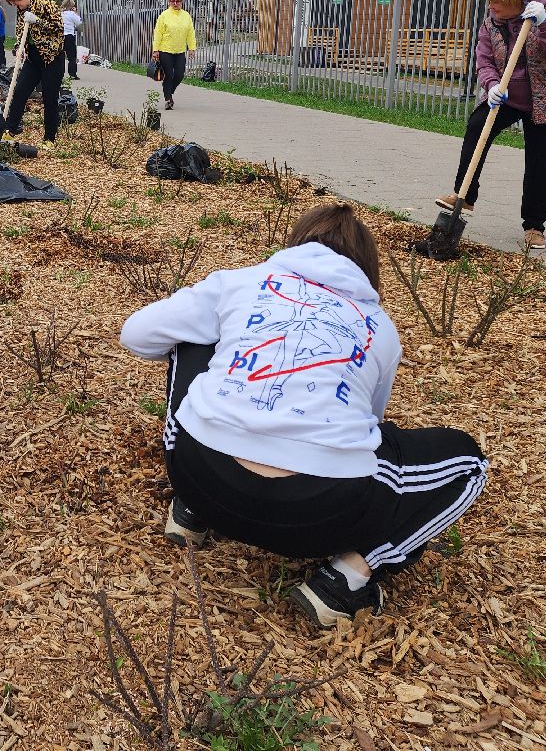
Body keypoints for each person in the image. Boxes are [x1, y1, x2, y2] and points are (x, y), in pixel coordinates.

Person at [120, 203, 488, 630]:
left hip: (199, 475)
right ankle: (346, 579)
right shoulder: (379, 326)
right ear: (366, 268)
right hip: (319, 516)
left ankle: (193, 513)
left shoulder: (239, 282)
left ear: (295, 244)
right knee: (470, 462)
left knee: (189, 338)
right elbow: (371, 420)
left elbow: (138, 334)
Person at [432, 0, 546, 251]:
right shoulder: (492, 22)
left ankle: (534, 226)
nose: (491, 7)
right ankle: (465, 195)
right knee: (477, 128)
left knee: (539, 163)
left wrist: (545, 23)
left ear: (516, 0)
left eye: (496, 1)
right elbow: (483, 59)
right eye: (489, 1)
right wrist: (492, 84)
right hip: (507, 96)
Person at [3, 0, 66, 150]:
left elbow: (59, 28)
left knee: (49, 97)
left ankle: (49, 138)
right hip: (33, 59)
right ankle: (9, 129)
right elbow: (20, 31)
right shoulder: (21, 9)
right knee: (20, 91)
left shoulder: (46, 4)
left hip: (52, 59)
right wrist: (18, 47)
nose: (15, 5)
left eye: (16, 1)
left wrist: (37, 20)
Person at [152, 0, 196, 110]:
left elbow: (190, 33)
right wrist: (155, 50)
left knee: (179, 75)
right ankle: (168, 99)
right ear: (169, 2)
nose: (175, 3)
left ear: (181, 2)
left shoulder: (186, 15)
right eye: (173, 1)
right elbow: (158, 33)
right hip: (165, 50)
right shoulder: (164, 15)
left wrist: (192, 48)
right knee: (169, 75)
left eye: (178, 1)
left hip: (180, 50)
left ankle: (169, 91)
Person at [60, 0, 82, 81]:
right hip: (69, 36)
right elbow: (79, 23)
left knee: (60, 56)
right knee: (72, 57)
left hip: (60, 36)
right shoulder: (72, 14)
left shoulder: (60, 13)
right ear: (72, 5)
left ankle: (59, 74)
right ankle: (72, 74)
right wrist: (75, 13)